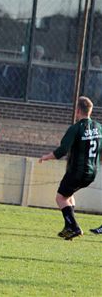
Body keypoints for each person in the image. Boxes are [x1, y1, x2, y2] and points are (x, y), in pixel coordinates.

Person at [39, 96, 102, 240]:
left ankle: (74, 227)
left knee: (60, 198)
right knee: (69, 195)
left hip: (77, 171)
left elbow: (62, 150)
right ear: (90, 110)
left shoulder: (76, 128)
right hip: (91, 173)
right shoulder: (99, 128)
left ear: (77, 110)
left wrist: (46, 157)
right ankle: (68, 227)